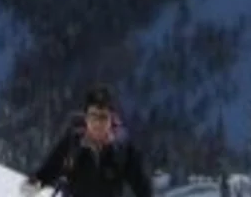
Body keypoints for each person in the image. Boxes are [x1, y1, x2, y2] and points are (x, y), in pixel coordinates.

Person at [18, 84, 154, 197]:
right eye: (93, 116)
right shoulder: (73, 142)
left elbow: (141, 185)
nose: (98, 123)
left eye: (103, 117)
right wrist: (35, 183)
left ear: (111, 119)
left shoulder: (122, 148)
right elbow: (51, 168)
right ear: (86, 118)